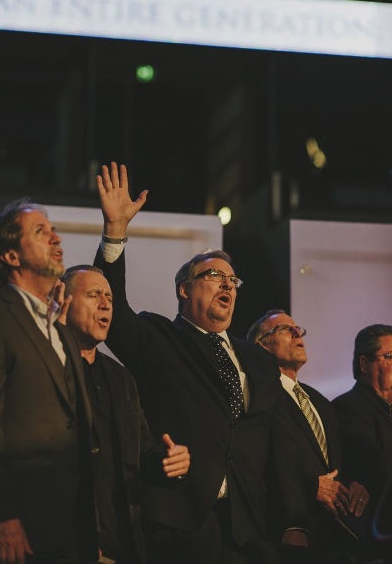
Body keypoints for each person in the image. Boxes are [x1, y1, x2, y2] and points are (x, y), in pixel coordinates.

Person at [93, 162, 311, 564]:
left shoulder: (257, 360)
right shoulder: (157, 338)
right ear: (183, 289)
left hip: (249, 531)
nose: (228, 283)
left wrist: (294, 522)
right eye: (214, 275)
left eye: (233, 280)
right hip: (180, 525)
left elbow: (279, 444)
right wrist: (114, 233)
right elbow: (114, 311)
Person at [59, 264, 190, 564]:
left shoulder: (121, 378)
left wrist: (168, 462)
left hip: (121, 544)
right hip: (62, 543)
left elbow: (139, 450)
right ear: (63, 303)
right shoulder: (46, 367)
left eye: (110, 297)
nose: (106, 304)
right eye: (94, 295)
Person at [0, 199, 98, 564]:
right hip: (19, 528)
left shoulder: (61, 328)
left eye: (53, 229)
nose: (55, 237)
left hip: (72, 524)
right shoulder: (0, 316)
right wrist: (3, 514)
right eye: (40, 231)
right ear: (10, 256)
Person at [247, 310, 370, 562]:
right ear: (261, 347)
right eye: (283, 329)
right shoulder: (257, 394)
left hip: (331, 534)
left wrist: (354, 483)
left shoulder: (320, 402)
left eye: (298, 329)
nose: (296, 333)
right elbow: (256, 461)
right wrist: (310, 488)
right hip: (283, 529)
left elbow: (333, 463)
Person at [332, 324, 392, 562]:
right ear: (364, 364)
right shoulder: (349, 407)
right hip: (381, 541)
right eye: (390, 356)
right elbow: (378, 471)